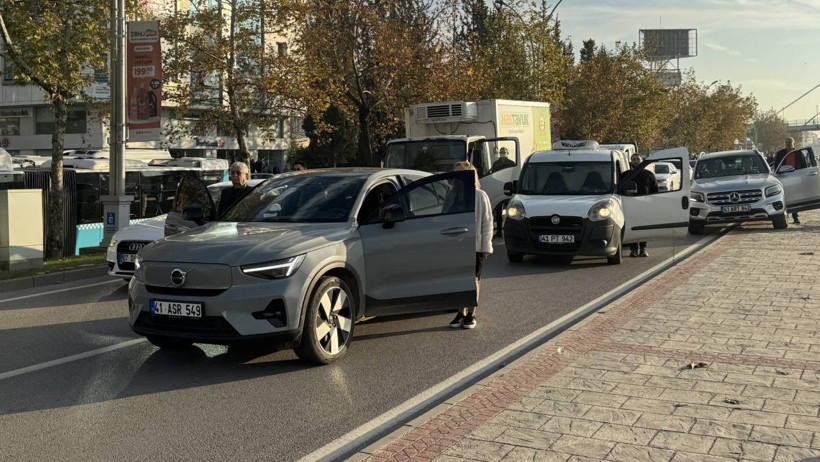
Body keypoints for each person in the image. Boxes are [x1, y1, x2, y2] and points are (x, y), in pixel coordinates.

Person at [448, 161, 493, 329]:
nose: (457, 178)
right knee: (458, 280)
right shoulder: (451, 195)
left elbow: (487, 222)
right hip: (456, 245)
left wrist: (486, 247)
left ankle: (471, 314)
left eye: (461, 174)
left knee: (473, 279)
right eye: (455, 174)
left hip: (475, 245)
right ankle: (461, 313)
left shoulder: (480, 196)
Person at [625, 154, 658, 257]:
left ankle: (643, 249)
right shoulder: (626, 175)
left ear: (642, 161)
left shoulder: (649, 175)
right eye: (633, 159)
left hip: (645, 205)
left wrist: (653, 204)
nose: (635, 161)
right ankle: (633, 249)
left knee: (644, 228)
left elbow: (655, 191)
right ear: (630, 161)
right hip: (630, 204)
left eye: (637, 159)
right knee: (633, 228)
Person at [773, 137, 800, 224]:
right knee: (785, 197)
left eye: (790, 142)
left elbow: (802, 165)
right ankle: (785, 215)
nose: (788, 143)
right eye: (787, 142)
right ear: (785, 143)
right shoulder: (781, 153)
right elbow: (777, 166)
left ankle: (795, 217)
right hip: (784, 177)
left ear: (793, 143)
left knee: (795, 197)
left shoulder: (798, 153)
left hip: (796, 177)